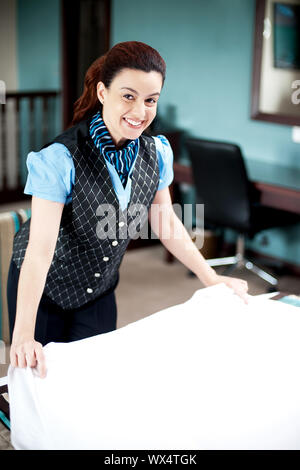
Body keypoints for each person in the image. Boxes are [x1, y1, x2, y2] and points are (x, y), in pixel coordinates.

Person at [7, 41, 249, 379]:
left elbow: (165, 222)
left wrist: (211, 279)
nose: (140, 112)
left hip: (101, 289)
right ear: (103, 92)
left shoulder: (158, 152)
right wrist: (23, 334)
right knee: (40, 383)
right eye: (128, 96)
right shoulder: (58, 159)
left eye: (150, 100)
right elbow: (40, 251)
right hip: (47, 286)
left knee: (94, 378)